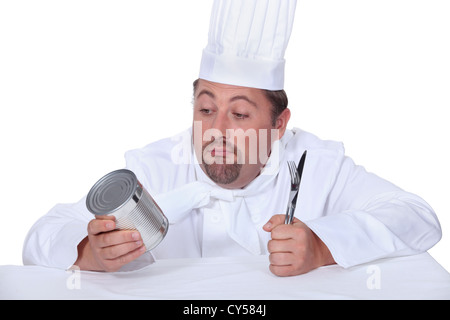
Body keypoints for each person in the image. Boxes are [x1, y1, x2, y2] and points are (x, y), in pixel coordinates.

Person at [23, 0, 441, 277]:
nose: (216, 129)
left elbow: (418, 218)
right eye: (206, 109)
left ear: (279, 125)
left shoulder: (317, 166)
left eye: (239, 113)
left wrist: (322, 246)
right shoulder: (155, 167)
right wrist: (89, 254)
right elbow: (42, 235)